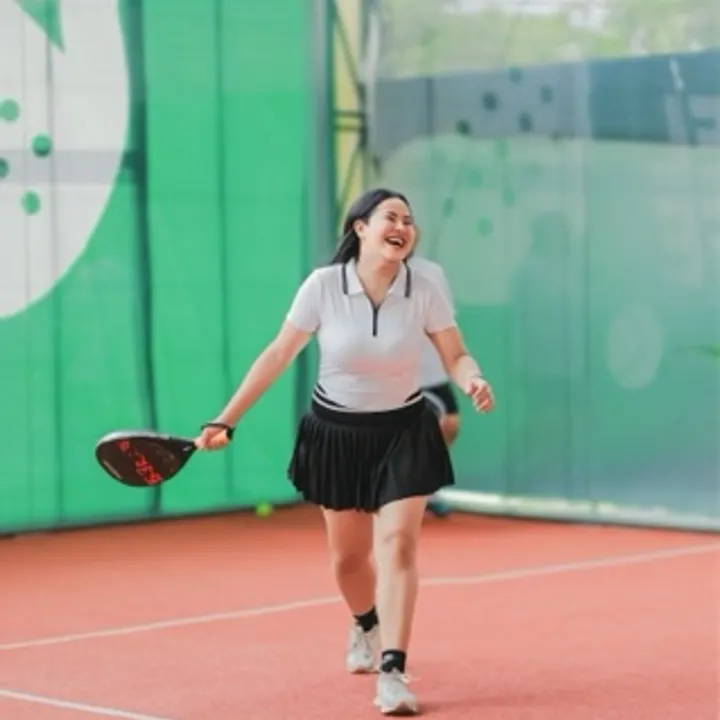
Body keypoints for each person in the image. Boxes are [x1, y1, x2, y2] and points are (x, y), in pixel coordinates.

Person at [195, 188, 495, 716]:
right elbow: (278, 354)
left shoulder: (424, 286)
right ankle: (365, 624)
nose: (402, 226)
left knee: (398, 545)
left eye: (409, 220)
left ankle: (393, 672)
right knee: (348, 560)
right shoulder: (323, 286)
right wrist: (226, 419)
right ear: (360, 228)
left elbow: (456, 354)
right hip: (336, 434)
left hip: (404, 431)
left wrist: (472, 379)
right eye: (390, 217)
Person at [408, 256, 462, 519]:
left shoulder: (431, 272)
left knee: (449, 423)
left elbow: (446, 321)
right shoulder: (361, 270)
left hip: (430, 369)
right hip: (387, 370)